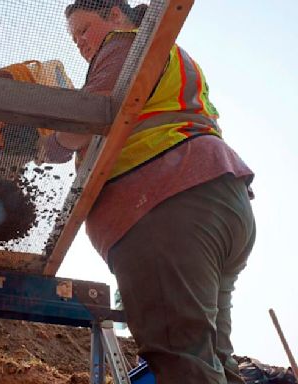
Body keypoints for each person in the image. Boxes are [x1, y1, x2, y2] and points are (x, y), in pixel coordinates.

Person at [42, 1, 256, 383]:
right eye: (74, 37)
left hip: (164, 206)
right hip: (218, 201)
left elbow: (81, 123)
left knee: (182, 359)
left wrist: (44, 139)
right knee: (212, 357)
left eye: (84, 29)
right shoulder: (168, 54)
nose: (79, 42)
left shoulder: (124, 45)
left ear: (116, 16)